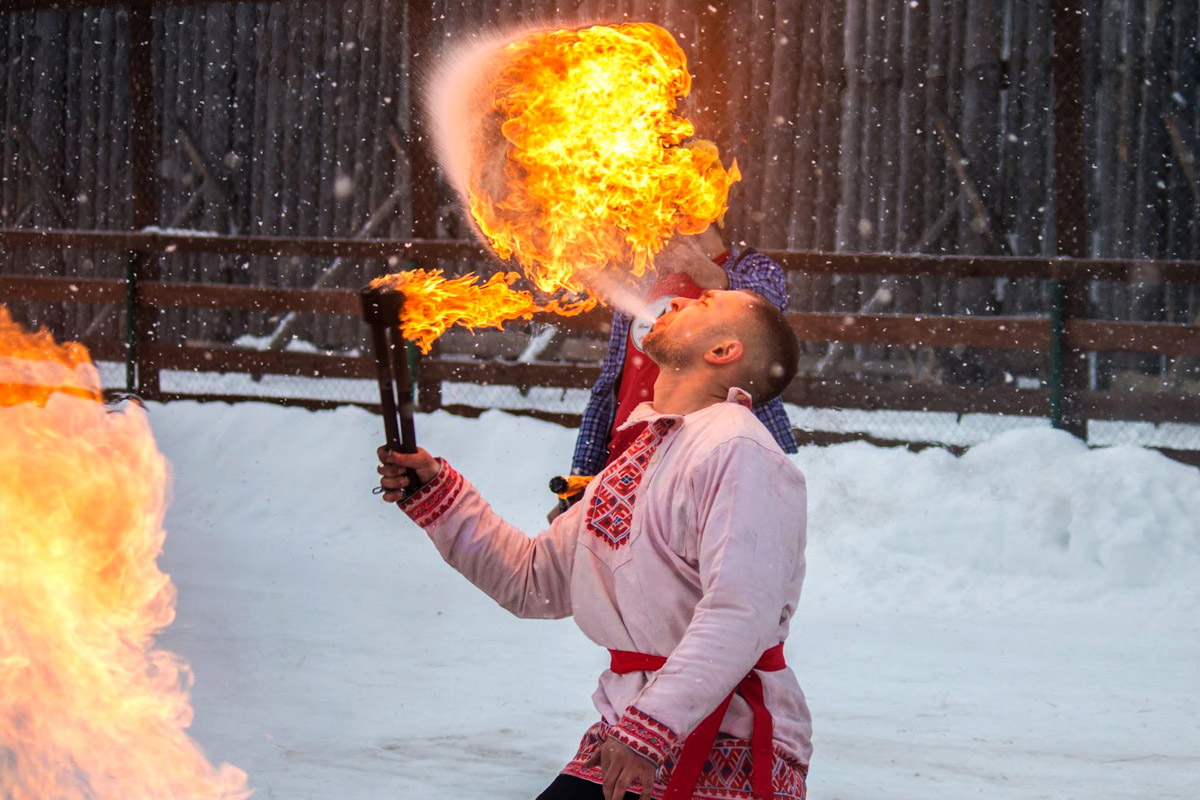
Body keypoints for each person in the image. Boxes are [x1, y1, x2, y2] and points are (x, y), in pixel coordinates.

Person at [378, 287, 812, 800]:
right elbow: (532, 580)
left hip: (724, 740)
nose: (675, 301)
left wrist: (654, 725)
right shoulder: (636, 457)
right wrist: (438, 494)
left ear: (722, 352)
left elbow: (742, 610)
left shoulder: (738, 448)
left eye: (703, 302)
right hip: (625, 731)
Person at [556, 226, 797, 520]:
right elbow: (608, 386)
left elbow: (765, 325)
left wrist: (698, 266)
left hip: (698, 470)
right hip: (625, 461)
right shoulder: (642, 278)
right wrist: (582, 475)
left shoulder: (752, 269)